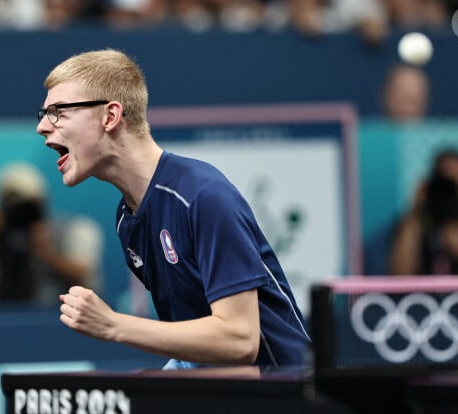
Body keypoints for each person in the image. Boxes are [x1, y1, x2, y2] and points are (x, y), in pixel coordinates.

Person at [36, 48, 310, 368]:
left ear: (110, 116)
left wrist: (114, 324)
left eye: (58, 112)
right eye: (42, 115)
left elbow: (239, 339)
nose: (43, 126)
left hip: (285, 394)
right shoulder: (128, 220)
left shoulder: (203, 196)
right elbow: (194, 340)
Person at [0, 162, 104, 308]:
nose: (20, 212)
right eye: (11, 205)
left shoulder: (75, 229)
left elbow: (85, 280)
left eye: (25, 205)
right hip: (13, 323)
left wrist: (47, 253)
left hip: (64, 320)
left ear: (41, 201)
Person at [387, 148, 458, 276]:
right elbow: (399, 277)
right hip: (422, 296)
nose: (450, 191)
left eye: (455, 181)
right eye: (444, 183)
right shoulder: (414, 226)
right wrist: (415, 212)